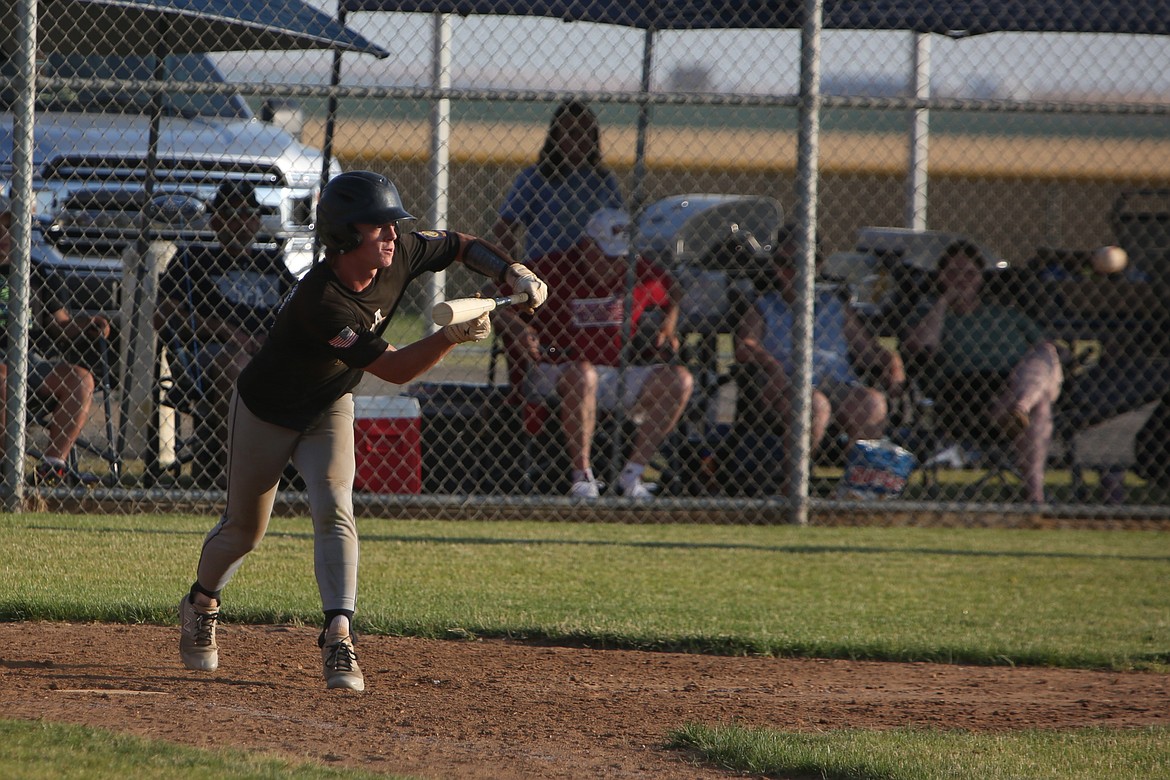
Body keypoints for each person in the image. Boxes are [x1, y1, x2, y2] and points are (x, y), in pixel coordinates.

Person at [177, 171, 548, 690]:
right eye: (380, 227)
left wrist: (513, 272)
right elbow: (394, 369)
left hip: (328, 404)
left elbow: (461, 245)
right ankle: (201, 602)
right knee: (245, 530)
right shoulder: (322, 301)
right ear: (347, 235)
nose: (393, 236)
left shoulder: (399, 257)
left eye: (394, 226)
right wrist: (448, 338)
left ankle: (338, 636)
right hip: (267, 409)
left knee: (335, 508)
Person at [494, 207, 693, 499]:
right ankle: (582, 478)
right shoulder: (553, 268)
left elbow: (673, 289)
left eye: (620, 258)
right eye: (606, 256)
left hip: (615, 372)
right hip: (556, 368)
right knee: (583, 374)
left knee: (680, 380)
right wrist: (518, 328)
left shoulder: (637, 270)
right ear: (587, 245)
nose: (615, 265)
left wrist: (669, 323)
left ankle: (632, 476)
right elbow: (492, 299)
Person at [733, 224, 905, 485]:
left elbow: (868, 351)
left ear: (816, 264)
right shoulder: (764, 305)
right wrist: (772, 365)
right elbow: (745, 344)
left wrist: (892, 362)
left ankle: (859, 488)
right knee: (815, 405)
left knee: (871, 403)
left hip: (836, 382)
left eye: (801, 263)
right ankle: (794, 488)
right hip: (786, 384)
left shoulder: (833, 304)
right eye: (783, 263)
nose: (791, 272)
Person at [154, 180, 297, 488]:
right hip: (209, 354)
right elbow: (163, 314)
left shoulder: (271, 261)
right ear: (214, 219)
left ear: (258, 220)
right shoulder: (193, 258)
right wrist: (227, 331)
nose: (239, 221)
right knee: (235, 365)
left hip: (267, 351)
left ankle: (297, 471)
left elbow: (298, 311)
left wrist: (271, 341)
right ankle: (239, 469)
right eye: (230, 212)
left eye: (247, 213)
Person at [901, 240, 1064, 504]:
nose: (961, 280)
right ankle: (1035, 493)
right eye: (952, 273)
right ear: (940, 277)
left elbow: (1046, 351)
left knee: (1045, 353)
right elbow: (919, 346)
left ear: (981, 279)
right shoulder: (929, 314)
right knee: (1041, 406)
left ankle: (1020, 406)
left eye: (969, 274)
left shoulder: (1007, 314)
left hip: (1015, 380)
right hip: (967, 392)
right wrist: (943, 302)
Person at [0, 195, 111, 486]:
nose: (4, 237)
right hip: (2, 364)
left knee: (80, 380)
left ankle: (52, 467)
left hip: (29, 361)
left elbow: (60, 323)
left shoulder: (35, 273)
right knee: (2, 377)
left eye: (11, 229)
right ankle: (6, 470)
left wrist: (86, 324)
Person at [490, 98, 625, 262]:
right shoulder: (536, 177)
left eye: (586, 132)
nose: (579, 140)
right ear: (556, 136)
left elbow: (619, 223)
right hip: (545, 265)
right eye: (571, 132)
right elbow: (504, 225)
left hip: (591, 271)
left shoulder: (602, 180)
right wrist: (514, 268)